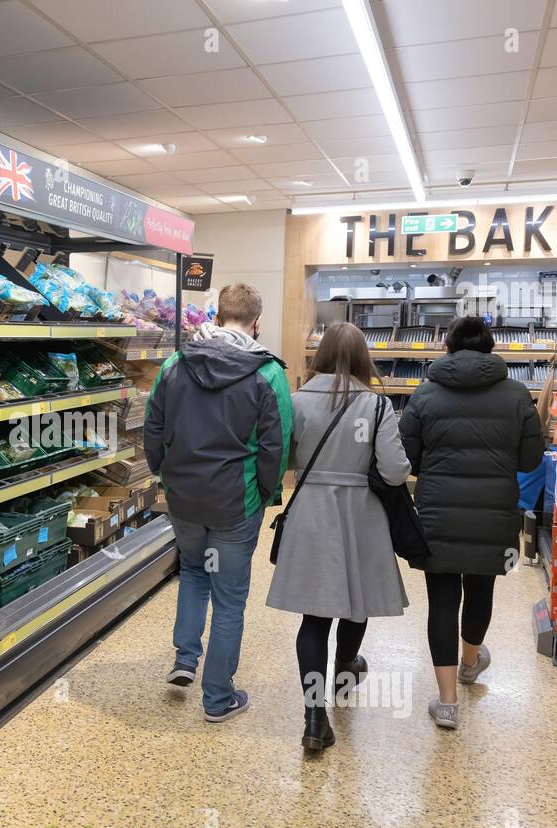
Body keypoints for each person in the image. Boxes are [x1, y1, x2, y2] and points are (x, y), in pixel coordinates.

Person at [144, 283, 292, 722]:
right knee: (229, 599)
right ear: (256, 322)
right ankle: (218, 698)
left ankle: (185, 661)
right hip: (235, 502)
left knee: (193, 572)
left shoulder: (174, 364)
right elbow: (276, 446)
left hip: (184, 499)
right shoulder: (267, 374)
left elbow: (153, 429)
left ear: (216, 314)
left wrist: (165, 475)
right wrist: (264, 493)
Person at [265, 322, 412, 752]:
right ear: (364, 357)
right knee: (356, 599)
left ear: (322, 354)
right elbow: (395, 470)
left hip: (311, 511)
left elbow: (286, 457)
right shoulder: (377, 404)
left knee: (313, 617)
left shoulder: (297, 400)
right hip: (361, 512)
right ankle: (346, 669)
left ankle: (314, 716)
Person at [399, 315, 544, 730]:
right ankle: (469, 663)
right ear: (490, 348)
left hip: (438, 512)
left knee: (442, 600)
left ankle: (446, 702)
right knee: (481, 587)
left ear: (448, 347)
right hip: (493, 513)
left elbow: (407, 461)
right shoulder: (518, 396)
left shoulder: (424, 396)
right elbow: (531, 460)